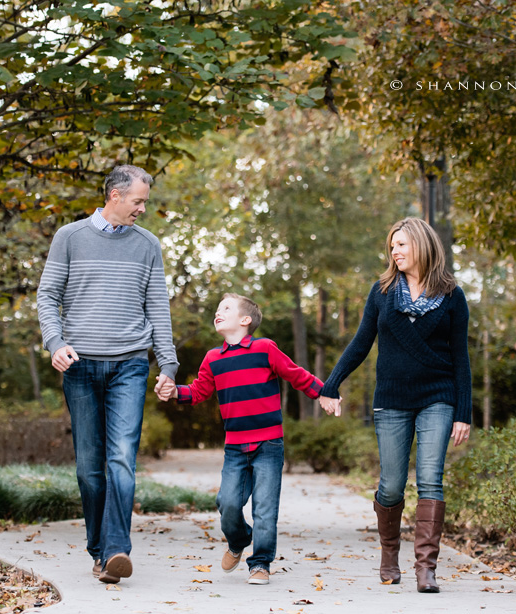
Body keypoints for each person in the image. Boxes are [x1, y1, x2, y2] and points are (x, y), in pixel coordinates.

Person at [36, 165, 179, 584]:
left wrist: (167, 364)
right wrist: (54, 342)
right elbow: (48, 295)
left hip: (130, 365)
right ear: (115, 196)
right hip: (79, 365)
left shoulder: (148, 245)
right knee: (89, 468)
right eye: (138, 201)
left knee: (121, 459)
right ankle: (99, 550)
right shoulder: (70, 237)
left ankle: (117, 548)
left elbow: (158, 309)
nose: (143, 209)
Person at [318, 217, 471, 594]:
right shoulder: (382, 292)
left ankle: (426, 569)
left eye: (401, 245)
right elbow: (360, 343)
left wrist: (464, 412)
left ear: (421, 245)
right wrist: (330, 385)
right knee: (391, 486)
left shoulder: (452, 296)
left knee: (431, 479)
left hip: (438, 397)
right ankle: (389, 553)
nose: (395, 252)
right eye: (392, 247)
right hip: (392, 400)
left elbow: (461, 358)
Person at [157, 293, 324, 586]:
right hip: (235, 447)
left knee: (265, 508)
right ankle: (239, 539)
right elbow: (198, 392)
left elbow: (294, 374)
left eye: (226, 308)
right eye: (218, 309)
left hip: (269, 444)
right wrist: (175, 392)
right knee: (227, 503)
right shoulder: (213, 358)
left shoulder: (264, 348)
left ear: (245, 320)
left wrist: (324, 391)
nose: (218, 312)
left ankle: (260, 564)